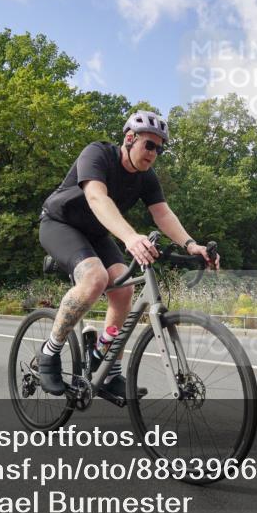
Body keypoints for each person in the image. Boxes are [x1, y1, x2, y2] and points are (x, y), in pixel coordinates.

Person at [37, 110, 219, 401]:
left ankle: (108, 369)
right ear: (130, 138)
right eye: (149, 145)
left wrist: (191, 245)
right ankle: (49, 352)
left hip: (96, 233)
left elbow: (162, 214)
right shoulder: (97, 154)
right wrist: (131, 237)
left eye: (159, 148)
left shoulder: (146, 178)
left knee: (124, 290)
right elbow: (97, 197)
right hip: (60, 223)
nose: (153, 153)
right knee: (95, 278)